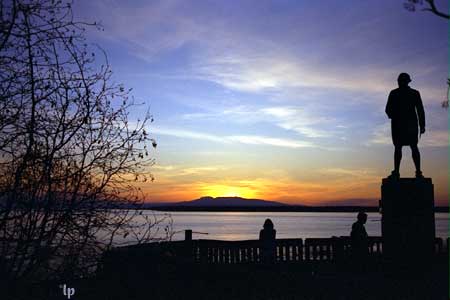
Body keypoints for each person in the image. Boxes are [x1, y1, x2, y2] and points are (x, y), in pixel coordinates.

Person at [385, 73, 425, 179]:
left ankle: (418, 172)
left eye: (402, 80)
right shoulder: (394, 93)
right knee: (398, 147)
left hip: (410, 124)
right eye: (399, 81)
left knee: (413, 147)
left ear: (407, 82)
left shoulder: (414, 93)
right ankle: (397, 172)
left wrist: (422, 125)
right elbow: (388, 109)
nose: (400, 82)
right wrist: (394, 115)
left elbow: (420, 110)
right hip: (399, 124)